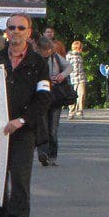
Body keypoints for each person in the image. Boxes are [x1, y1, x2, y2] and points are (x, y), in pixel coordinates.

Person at [0, 14, 51, 217]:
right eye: (12, 27)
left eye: (21, 28)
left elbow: (44, 98)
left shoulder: (38, 63)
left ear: (29, 32)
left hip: (24, 130)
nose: (16, 31)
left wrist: (22, 120)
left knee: (20, 181)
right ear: (6, 31)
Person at [35, 35, 71, 167]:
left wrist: (62, 75)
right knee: (42, 127)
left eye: (49, 49)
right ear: (39, 49)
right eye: (45, 50)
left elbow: (69, 67)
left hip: (55, 97)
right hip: (40, 97)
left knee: (53, 129)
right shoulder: (34, 58)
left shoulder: (55, 57)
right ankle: (43, 153)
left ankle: (53, 155)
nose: (47, 52)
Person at [66, 39, 87, 118]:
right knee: (71, 96)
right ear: (78, 48)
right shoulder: (69, 55)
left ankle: (79, 111)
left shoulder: (80, 56)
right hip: (72, 78)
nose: (81, 50)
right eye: (81, 48)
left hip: (81, 78)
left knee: (81, 95)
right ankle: (71, 112)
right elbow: (66, 66)